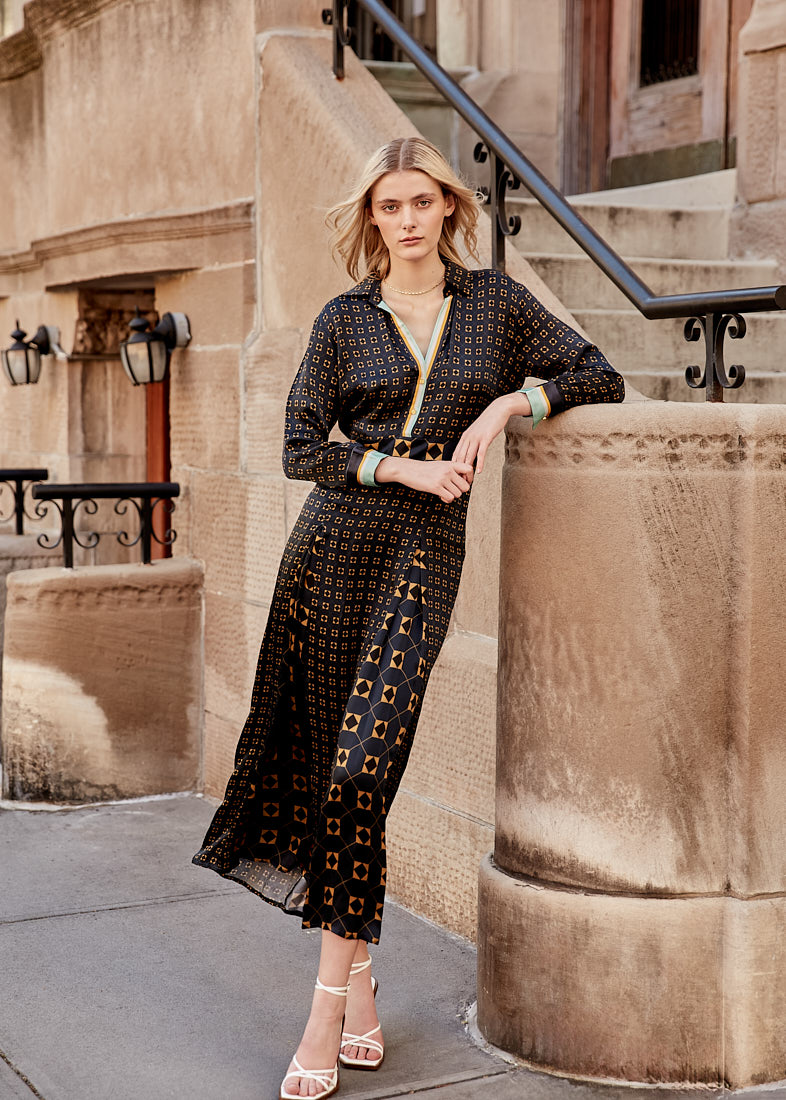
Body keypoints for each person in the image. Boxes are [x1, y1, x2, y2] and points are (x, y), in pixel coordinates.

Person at [193, 136, 624, 1099]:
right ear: (373, 219)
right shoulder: (346, 318)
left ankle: (324, 1006)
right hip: (333, 552)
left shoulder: (496, 306)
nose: (408, 220)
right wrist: (400, 465)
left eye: (422, 202)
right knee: (339, 776)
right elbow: (301, 442)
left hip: (423, 560)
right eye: (390, 206)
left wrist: (511, 402)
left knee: (361, 766)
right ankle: (358, 986)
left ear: (449, 209)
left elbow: (601, 373)